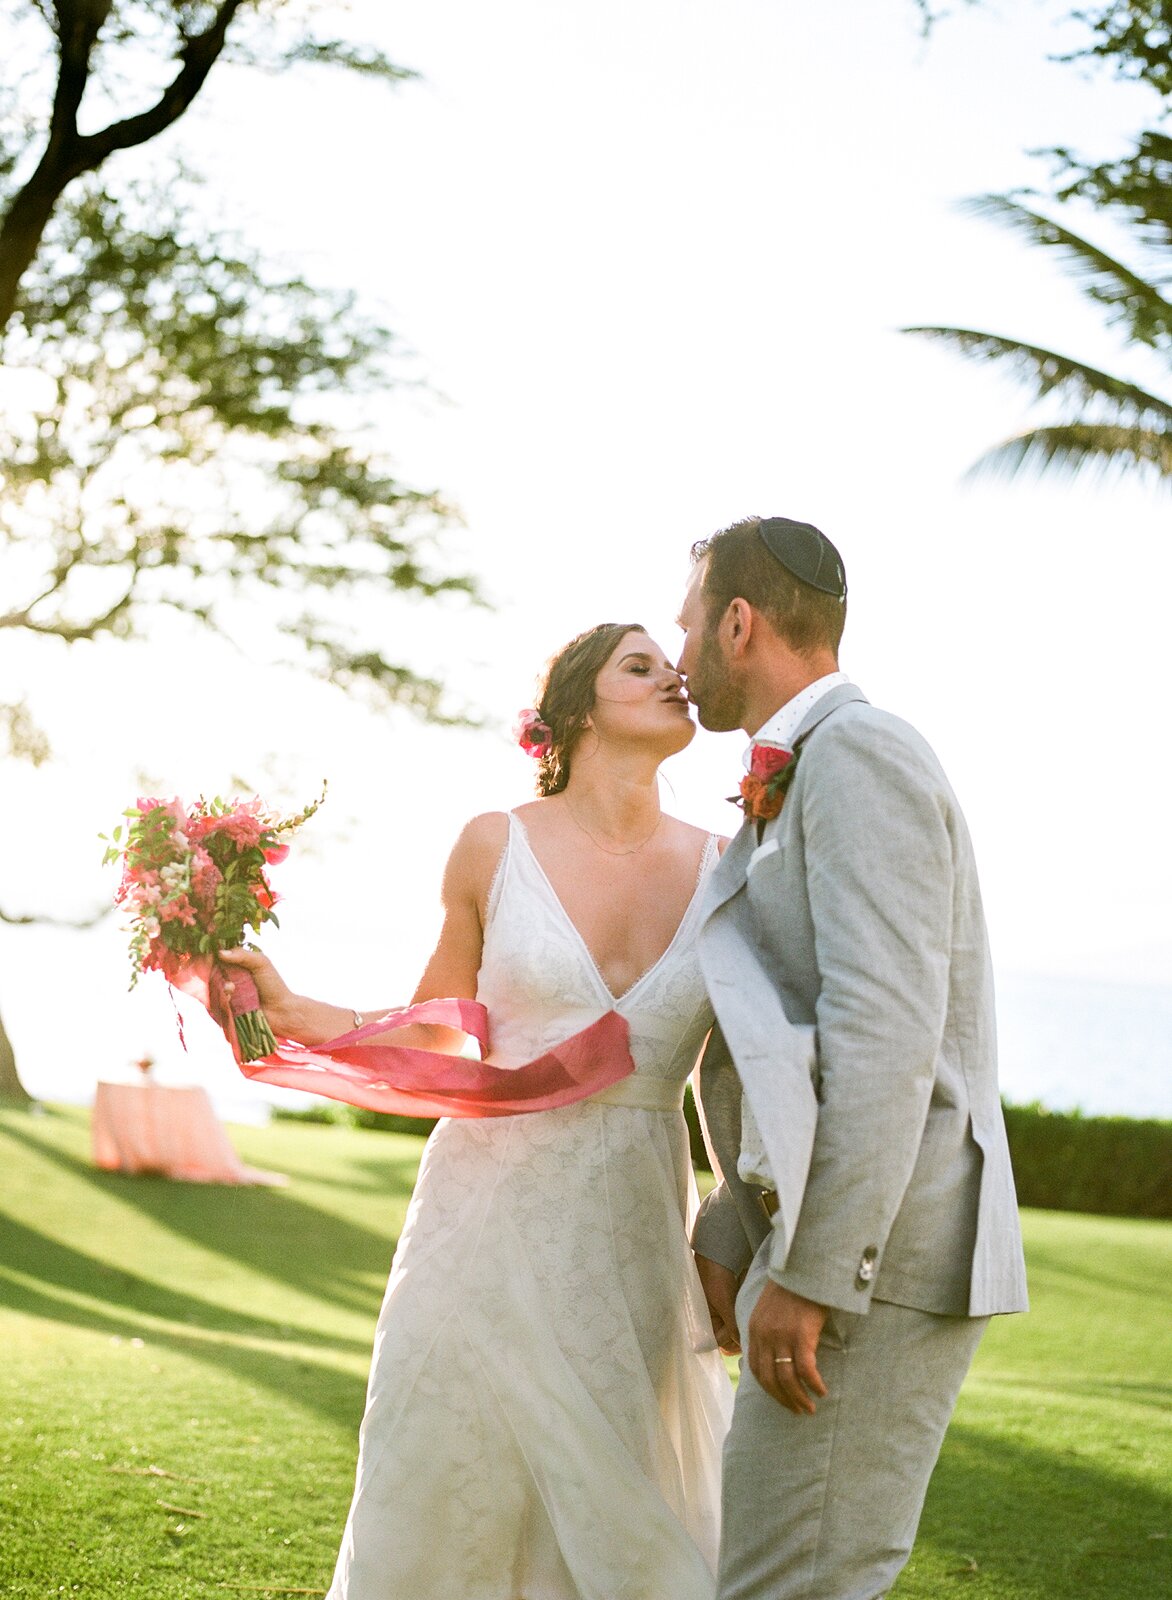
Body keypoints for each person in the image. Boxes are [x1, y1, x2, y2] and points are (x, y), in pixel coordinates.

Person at [223, 621, 734, 1600]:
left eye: (672, 666)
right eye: (642, 664)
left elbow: (749, 1070)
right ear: (578, 706)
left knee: (608, 1488)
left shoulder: (729, 864)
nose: (674, 676)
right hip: (481, 1219)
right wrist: (289, 1008)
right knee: (456, 1468)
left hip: (633, 1226)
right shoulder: (491, 844)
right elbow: (432, 1030)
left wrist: (738, 1217)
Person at [675, 516, 1029, 1600]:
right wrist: (735, 1222)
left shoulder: (858, 755)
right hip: (834, 1248)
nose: (680, 651)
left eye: (688, 623)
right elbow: (786, 1035)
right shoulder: (802, 767)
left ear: (738, 623)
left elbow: (883, 1034)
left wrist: (816, 1269)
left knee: (791, 1584)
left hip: (875, 1262)